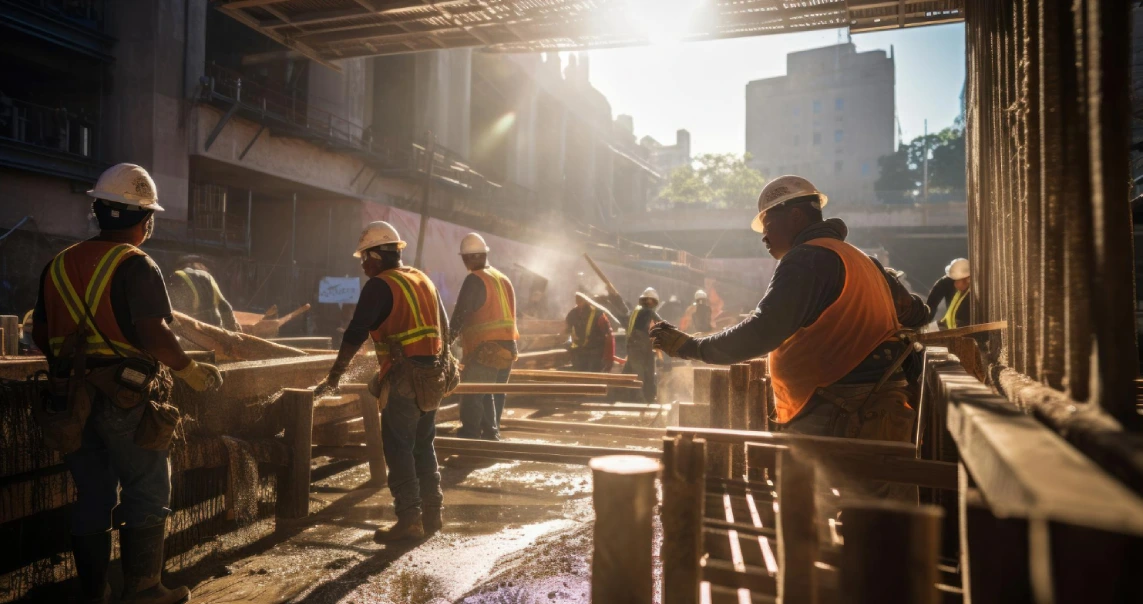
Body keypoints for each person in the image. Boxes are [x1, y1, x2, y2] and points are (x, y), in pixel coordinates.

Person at [32, 163, 223, 604]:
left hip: (68, 400)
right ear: (145, 219)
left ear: (99, 210)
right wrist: (188, 371)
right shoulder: (137, 263)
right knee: (148, 486)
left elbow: (42, 335)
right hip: (125, 395)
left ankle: (93, 593)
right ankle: (144, 589)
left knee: (93, 493)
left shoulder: (57, 265)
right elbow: (155, 333)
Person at [651, 175, 930, 446]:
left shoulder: (807, 259)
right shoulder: (862, 260)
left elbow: (764, 331)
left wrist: (693, 348)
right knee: (867, 493)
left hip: (837, 411)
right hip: (877, 403)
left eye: (768, 224)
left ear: (795, 216)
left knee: (820, 492)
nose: (764, 237)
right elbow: (917, 313)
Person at [313, 221, 448, 542]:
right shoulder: (422, 279)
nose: (362, 265)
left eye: (364, 258)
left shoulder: (380, 285)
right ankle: (433, 513)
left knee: (398, 447)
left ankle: (409, 520)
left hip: (405, 379)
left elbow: (356, 332)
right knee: (422, 444)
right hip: (432, 376)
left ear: (376, 254)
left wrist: (334, 376)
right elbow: (443, 325)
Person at [450, 233, 518, 441]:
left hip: (486, 348)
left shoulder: (475, 279)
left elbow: (460, 314)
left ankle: (471, 434)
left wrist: (443, 344)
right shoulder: (502, 278)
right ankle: (491, 434)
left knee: (473, 393)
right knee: (492, 392)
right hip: (508, 348)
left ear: (468, 258)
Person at [614, 287, 662, 402]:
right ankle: (641, 398)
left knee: (637, 372)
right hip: (639, 347)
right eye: (650, 301)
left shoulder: (636, 311)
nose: (650, 303)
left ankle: (636, 397)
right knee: (639, 373)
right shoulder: (647, 311)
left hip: (636, 347)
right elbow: (661, 324)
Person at [167, 255, 240, 331]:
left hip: (194, 329)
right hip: (215, 326)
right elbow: (224, 305)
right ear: (192, 264)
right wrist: (234, 329)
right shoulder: (207, 276)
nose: (206, 268)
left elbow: (175, 310)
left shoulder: (177, 276)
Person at [563, 293, 614, 372]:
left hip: (595, 352)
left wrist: (609, 357)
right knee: (580, 374)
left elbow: (609, 336)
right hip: (580, 351)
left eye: (581, 299)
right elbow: (567, 329)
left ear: (586, 300)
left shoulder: (598, 314)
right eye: (577, 299)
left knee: (593, 374)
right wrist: (567, 341)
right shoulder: (573, 313)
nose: (578, 301)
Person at [926, 258, 971, 330]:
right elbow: (931, 305)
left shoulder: (972, 296)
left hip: (959, 330)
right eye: (954, 280)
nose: (954, 284)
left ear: (968, 279)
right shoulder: (946, 281)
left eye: (957, 281)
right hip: (949, 325)